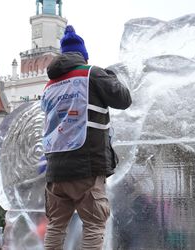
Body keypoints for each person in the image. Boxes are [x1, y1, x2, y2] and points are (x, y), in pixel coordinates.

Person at [41, 25, 132, 250]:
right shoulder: (92, 73)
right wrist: (111, 76)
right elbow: (123, 99)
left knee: (55, 227)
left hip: (55, 171)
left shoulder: (49, 86)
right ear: (83, 55)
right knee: (93, 224)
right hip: (86, 167)